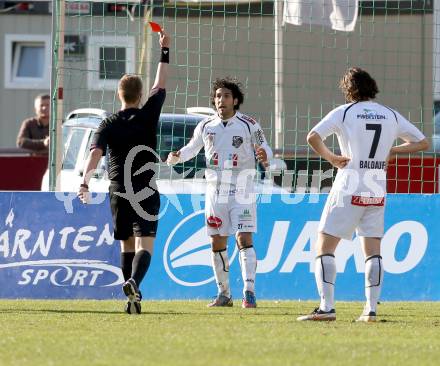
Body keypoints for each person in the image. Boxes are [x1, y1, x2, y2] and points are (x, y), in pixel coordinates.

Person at [297, 67, 429, 322]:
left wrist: (332, 157)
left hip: (350, 182)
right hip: (377, 183)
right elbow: (423, 142)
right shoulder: (390, 114)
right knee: (373, 250)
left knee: (324, 246)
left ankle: (326, 308)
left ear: (349, 90)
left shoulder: (345, 112)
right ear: (372, 87)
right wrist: (393, 151)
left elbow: (312, 136)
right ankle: (370, 310)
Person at [77, 29, 170, 314]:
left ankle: (132, 300)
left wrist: (84, 183)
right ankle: (133, 282)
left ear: (119, 94)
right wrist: (164, 50)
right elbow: (161, 84)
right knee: (146, 244)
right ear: (140, 95)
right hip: (144, 188)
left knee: (126, 245)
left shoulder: (107, 123)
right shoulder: (148, 113)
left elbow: (95, 153)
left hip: (118, 190)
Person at [167, 77, 273, 308]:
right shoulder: (206, 126)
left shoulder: (248, 124)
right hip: (215, 191)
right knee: (217, 241)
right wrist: (177, 156)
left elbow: (265, 147)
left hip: (242, 190)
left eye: (225, 96)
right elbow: (191, 148)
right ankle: (224, 294)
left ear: (235, 100)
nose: (221, 100)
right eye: (217, 96)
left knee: (244, 238)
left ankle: (249, 292)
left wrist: (265, 156)